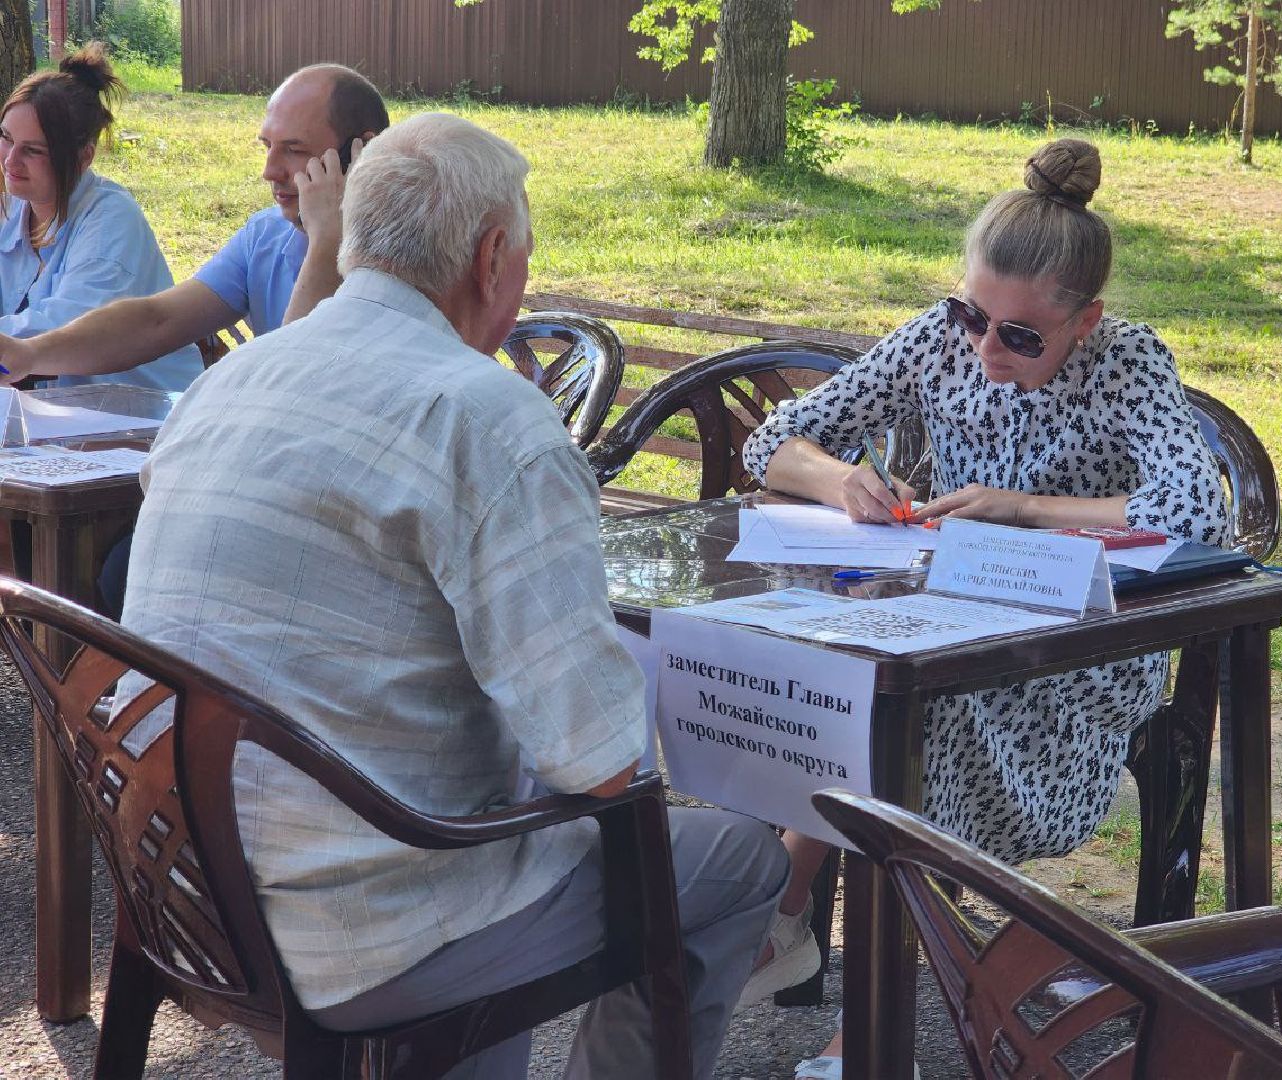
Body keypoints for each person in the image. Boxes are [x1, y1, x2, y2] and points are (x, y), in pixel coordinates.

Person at [118, 112, 788, 1080]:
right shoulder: (489, 418)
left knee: (486, 805)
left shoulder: (234, 381)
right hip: (353, 937)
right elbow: (601, 765)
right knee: (737, 862)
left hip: (176, 882)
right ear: (491, 257)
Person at [739, 138, 1230, 1079]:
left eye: (1022, 336)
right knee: (847, 687)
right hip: (949, 618)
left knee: (915, 714)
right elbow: (777, 442)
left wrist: (1025, 509)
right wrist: (843, 481)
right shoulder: (940, 336)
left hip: (1082, 647)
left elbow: (1193, 511)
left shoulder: (1127, 360)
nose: (985, 349)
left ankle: (841, 1004)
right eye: (974, 315)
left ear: (1086, 320)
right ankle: (800, 934)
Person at [0, 61, 389, 386]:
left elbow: (294, 381)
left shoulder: (405, 254)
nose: (269, 171)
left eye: (294, 150)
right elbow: (158, 321)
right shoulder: (265, 236)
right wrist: (29, 353)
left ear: (363, 153)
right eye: (268, 147)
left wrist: (327, 241)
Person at [0, 43, 200, 391]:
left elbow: (64, 329)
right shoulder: (15, 203)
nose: (10, 160)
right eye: (5, 137)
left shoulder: (111, 221)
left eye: (33, 150)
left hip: (139, 412)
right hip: (59, 411)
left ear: (83, 157)